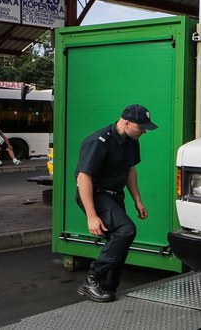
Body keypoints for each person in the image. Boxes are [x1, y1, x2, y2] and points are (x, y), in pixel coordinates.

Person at [74, 104, 156, 303]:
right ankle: (92, 278)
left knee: (119, 241)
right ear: (126, 122)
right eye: (141, 127)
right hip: (96, 194)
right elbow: (83, 177)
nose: (144, 131)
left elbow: (130, 170)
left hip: (115, 196)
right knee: (126, 230)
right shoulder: (99, 141)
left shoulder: (131, 140)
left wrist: (138, 200)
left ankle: (108, 285)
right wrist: (92, 216)